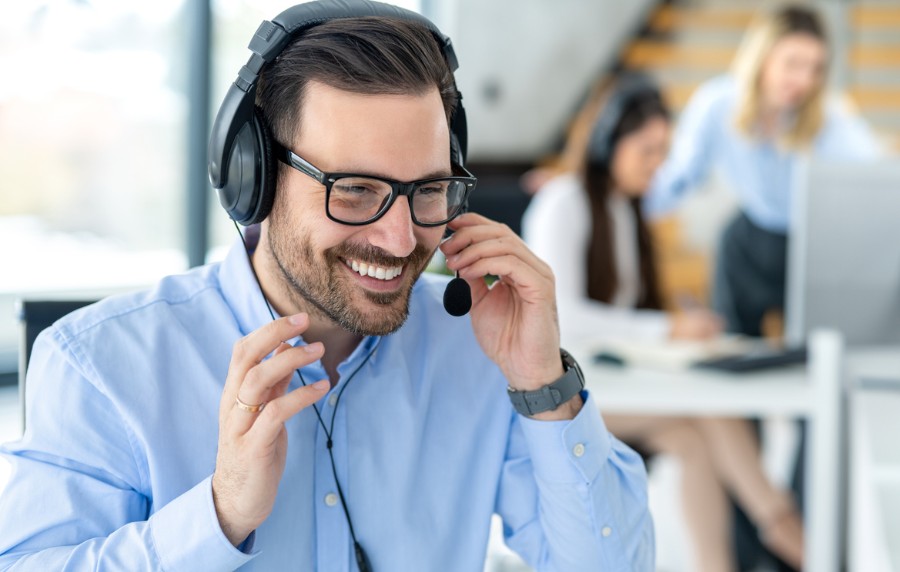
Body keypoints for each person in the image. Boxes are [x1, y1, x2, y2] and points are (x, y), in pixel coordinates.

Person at [0, 3, 654, 571]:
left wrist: (544, 384)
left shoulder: (477, 350)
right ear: (254, 176)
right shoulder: (100, 366)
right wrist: (219, 515)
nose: (401, 241)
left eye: (427, 191)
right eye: (356, 191)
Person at [522, 77, 804, 572]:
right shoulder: (563, 201)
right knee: (710, 411)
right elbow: (560, 315)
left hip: (614, 386)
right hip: (565, 396)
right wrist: (666, 329)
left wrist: (677, 322)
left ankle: (724, 562)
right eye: (648, 150)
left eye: (664, 152)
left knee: (694, 438)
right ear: (610, 139)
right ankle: (790, 535)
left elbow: (629, 314)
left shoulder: (626, 210)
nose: (657, 165)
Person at [645, 3, 885, 337]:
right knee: (735, 346)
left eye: (815, 68)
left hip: (809, 248)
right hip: (749, 242)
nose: (804, 80)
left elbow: (875, 177)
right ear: (762, 59)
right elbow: (678, 180)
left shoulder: (829, 116)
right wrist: (599, 192)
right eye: (793, 64)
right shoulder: (717, 104)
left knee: (812, 351)